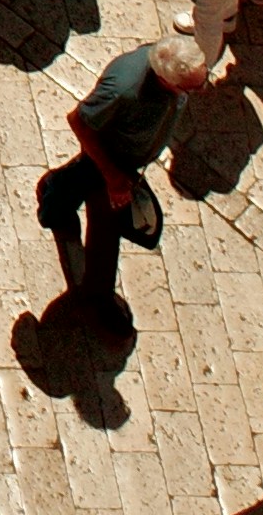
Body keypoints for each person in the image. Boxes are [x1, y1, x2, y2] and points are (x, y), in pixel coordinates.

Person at [42, 41, 207, 329]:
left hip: (124, 160)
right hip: (112, 163)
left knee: (77, 179)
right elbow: (79, 120)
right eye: (192, 89)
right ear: (164, 80)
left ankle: (55, 193)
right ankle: (98, 298)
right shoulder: (123, 89)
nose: (200, 92)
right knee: (107, 232)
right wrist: (114, 177)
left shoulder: (175, 61)